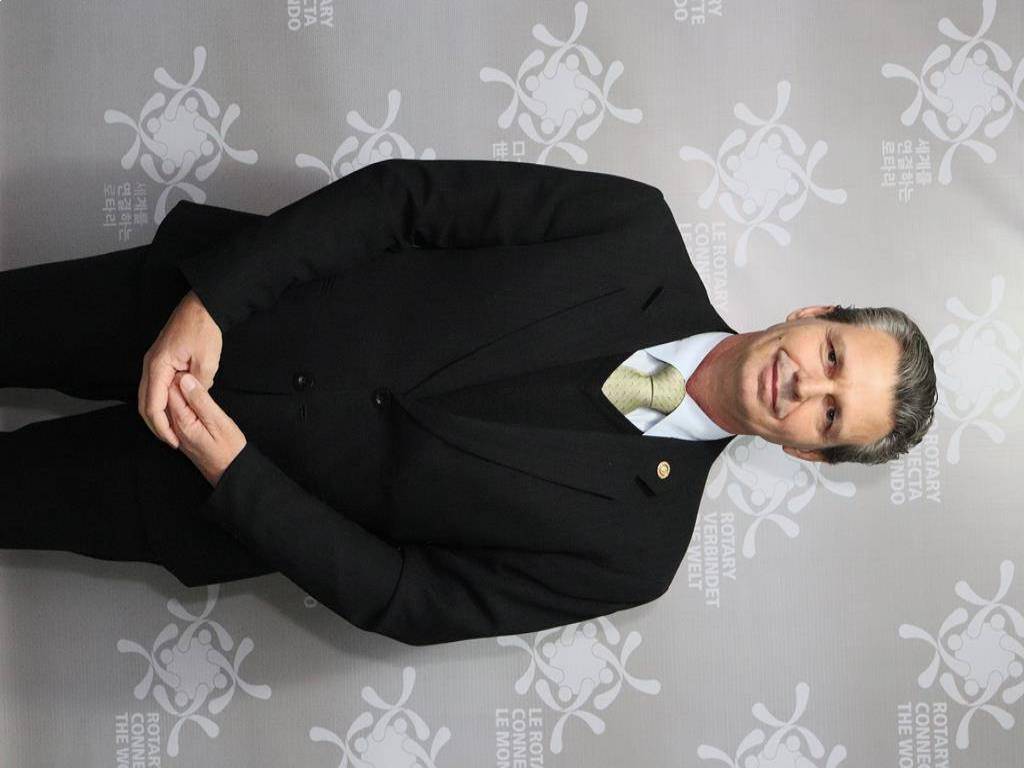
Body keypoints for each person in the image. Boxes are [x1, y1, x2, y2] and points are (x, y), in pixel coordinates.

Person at [0, 158, 937, 646]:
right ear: (813, 315)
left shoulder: (636, 556)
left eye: (828, 414)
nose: (806, 384)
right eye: (831, 356)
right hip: (203, 305)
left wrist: (237, 477)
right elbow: (404, 202)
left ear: (809, 453)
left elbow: (412, 600)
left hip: (190, 495)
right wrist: (214, 302)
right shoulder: (631, 229)